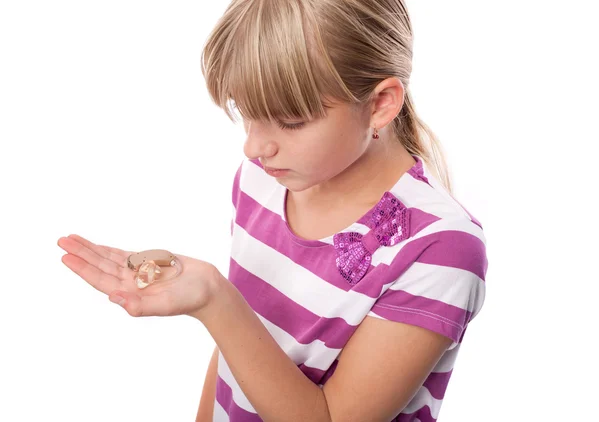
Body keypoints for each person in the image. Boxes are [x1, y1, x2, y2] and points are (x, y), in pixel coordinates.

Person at [57, 0, 487, 421]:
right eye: (248, 114)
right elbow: (238, 354)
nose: (254, 147)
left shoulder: (440, 247)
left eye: (291, 121)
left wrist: (215, 300)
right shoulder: (262, 179)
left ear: (379, 104)